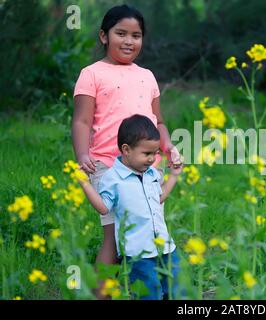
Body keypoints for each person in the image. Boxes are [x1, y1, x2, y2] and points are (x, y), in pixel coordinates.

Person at [71, 4, 182, 298]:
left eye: (136, 35)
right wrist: (83, 155)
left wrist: (167, 146)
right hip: (108, 165)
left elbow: (158, 121)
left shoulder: (147, 75)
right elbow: (81, 120)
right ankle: (102, 295)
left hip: (147, 166)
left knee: (148, 233)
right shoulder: (91, 74)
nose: (129, 41)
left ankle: (152, 290)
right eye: (121, 33)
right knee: (114, 238)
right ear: (104, 36)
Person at [78, 114, 182, 300]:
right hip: (138, 254)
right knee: (149, 294)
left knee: (179, 291)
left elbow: (158, 198)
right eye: (147, 154)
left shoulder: (150, 173)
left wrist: (173, 177)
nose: (152, 159)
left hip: (165, 247)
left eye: (155, 153)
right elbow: (103, 208)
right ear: (126, 150)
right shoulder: (112, 179)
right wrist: (85, 184)